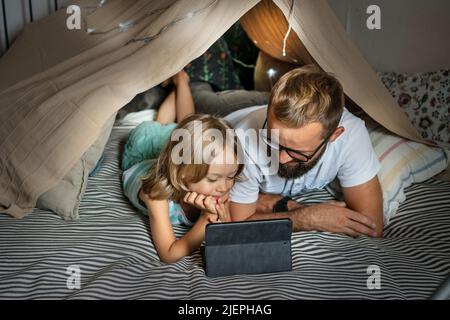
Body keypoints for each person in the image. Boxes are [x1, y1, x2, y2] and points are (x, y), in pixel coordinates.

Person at [228, 64, 384, 238]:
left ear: (334, 135)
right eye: (272, 141)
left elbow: (372, 226)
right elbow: (236, 225)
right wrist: (303, 218)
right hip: (231, 115)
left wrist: (271, 203)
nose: (281, 158)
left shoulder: (351, 135)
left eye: (297, 152)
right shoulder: (242, 140)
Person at [122, 112, 243, 263]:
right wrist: (206, 218)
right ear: (183, 173)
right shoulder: (155, 195)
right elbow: (168, 254)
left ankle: (176, 95)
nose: (224, 187)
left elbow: (230, 232)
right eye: (213, 179)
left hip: (178, 150)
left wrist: (223, 218)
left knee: (176, 130)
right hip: (141, 153)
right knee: (154, 128)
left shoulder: (219, 183)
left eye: (231, 176)